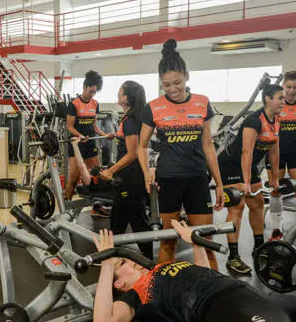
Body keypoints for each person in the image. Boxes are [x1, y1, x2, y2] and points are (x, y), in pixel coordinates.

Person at [92, 223, 296, 322]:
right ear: (119, 283)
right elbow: (104, 320)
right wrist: (106, 263)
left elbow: (204, 273)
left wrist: (196, 244)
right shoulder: (135, 297)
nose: (134, 261)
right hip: (222, 307)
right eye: (123, 263)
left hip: (252, 294)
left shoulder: (161, 268)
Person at [138, 39, 224, 269]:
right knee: (168, 244)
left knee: (205, 242)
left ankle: (214, 298)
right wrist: (147, 171)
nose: (173, 89)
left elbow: (208, 146)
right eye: (166, 85)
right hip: (168, 180)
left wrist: (219, 183)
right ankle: (165, 295)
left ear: (187, 76)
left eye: (177, 82)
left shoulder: (202, 103)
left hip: (197, 179)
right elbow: (142, 145)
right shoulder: (153, 107)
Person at [71, 80, 153, 259]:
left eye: (120, 91)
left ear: (126, 97)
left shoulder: (131, 120)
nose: (118, 93)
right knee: (121, 217)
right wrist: (115, 136)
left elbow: (132, 153)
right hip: (130, 176)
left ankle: (146, 259)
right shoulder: (133, 117)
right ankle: (114, 255)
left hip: (129, 176)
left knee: (135, 220)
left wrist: (110, 171)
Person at [217, 84, 284, 274]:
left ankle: (259, 248)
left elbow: (273, 150)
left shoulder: (276, 120)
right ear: (268, 98)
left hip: (249, 165)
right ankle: (233, 257)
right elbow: (246, 151)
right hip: (231, 164)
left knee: (258, 203)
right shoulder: (254, 121)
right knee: (237, 207)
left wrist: (275, 177)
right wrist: (246, 182)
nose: (283, 102)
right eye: (280, 97)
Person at [266, 70, 296, 243]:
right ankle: (276, 230)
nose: (291, 91)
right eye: (288, 87)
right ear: (283, 86)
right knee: (275, 189)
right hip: (275, 153)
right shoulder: (275, 102)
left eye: (295, 87)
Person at [65, 70, 115, 218]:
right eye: (91, 91)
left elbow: (94, 127)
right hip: (76, 144)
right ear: (85, 86)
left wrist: (105, 135)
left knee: (97, 175)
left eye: (95, 92)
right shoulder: (74, 104)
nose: (92, 94)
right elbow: (70, 127)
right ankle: (65, 208)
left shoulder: (95, 103)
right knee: (73, 179)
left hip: (90, 144)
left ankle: (96, 207)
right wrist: (80, 136)